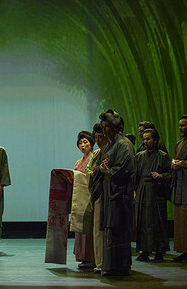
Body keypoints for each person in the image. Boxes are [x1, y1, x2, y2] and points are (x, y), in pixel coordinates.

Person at [90, 109, 135, 276]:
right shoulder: (111, 144)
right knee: (111, 229)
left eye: (107, 126)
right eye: (103, 126)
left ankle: (119, 266)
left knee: (118, 230)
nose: (104, 130)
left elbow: (125, 169)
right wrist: (102, 168)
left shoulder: (123, 144)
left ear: (116, 127)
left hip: (120, 194)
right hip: (110, 192)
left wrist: (108, 171)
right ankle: (112, 265)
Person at [134, 129, 171, 261]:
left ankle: (159, 251)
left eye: (148, 139)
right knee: (143, 221)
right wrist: (134, 190)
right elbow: (135, 175)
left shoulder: (162, 156)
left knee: (157, 221)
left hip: (156, 190)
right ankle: (144, 250)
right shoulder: (139, 156)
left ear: (155, 140)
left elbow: (170, 174)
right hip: (142, 189)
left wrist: (161, 175)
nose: (145, 141)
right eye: (144, 139)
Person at [86, 123, 107, 273]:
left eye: (101, 137)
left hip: (111, 192)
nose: (98, 140)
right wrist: (94, 172)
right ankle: (99, 262)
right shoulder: (97, 153)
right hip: (99, 192)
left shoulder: (112, 150)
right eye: (96, 137)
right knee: (98, 229)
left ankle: (108, 262)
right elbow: (88, 169)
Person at [171, 114, 187, 262]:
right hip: (180, 183)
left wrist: (184, 163)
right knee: (180, 219)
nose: (180, 128)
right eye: (179, 125)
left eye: (183, 125)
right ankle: (183, 250)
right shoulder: (180, 143)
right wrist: (174, 163)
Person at [73, 131, 95, 269]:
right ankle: (82, 256)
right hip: (79, 199)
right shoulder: (78, 162)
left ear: (91, 144)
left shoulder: (94, 158)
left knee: (88, 228)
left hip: (88, 197)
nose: (83, 145)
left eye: (85, 142)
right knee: (79, 228)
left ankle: (90, 257)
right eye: (80, 143)